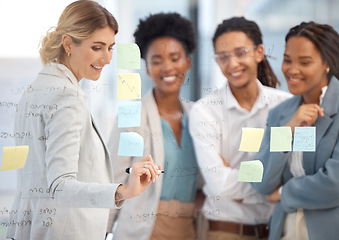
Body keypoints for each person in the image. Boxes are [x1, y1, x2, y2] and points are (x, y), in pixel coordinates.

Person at [6, 1, 159, 239]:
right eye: (97, 47)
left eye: (110, 48)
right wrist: (123, 191)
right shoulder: (65, 95)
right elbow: (60, 186)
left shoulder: (36, 88)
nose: (107, 58)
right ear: (68, 44)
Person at [189, 17, 291, 240]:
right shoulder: (205, 111)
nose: (232, 64)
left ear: (259, 52)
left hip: (279, 230)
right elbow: (219, 184)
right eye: (223, 57)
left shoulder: (285, 106)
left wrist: (237, 174)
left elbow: (294, 174)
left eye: (240, 53)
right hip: (225, 231)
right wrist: (273, 188)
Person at [107, 12, 201, 240]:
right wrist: (103, 230)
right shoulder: (131, 116)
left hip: (190, 228)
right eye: (156, 61)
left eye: (175, 57)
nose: (167, 67)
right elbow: (113, 181)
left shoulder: (198, 116)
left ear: (188, 62)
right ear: (147, 68)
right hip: (145, 228)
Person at [252, 21, 339, 240]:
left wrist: (283, 192)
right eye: (287, 60)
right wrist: (288, 130)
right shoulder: (281, 113)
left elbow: (335, 182)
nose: (292, 70)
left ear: (327, 63)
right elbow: (261, 181)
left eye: (305, 62)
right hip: (286, 229)